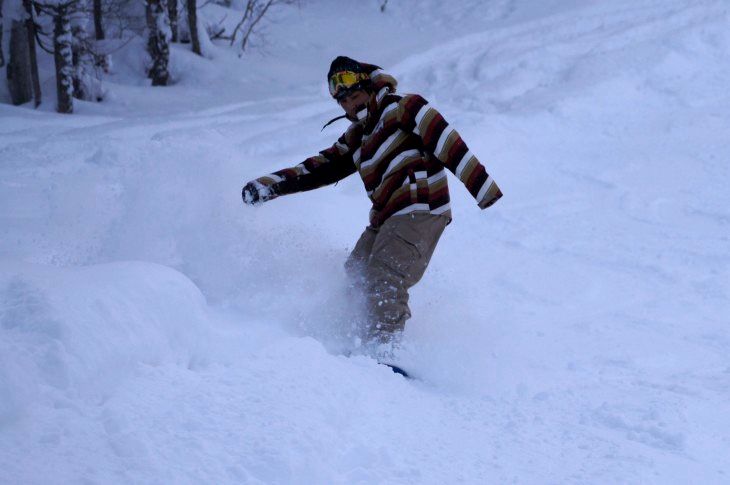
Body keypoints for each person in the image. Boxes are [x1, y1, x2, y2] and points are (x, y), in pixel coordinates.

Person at [242, 56, 502, 358]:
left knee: (384, 272)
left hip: (420, 205)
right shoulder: (357, 137)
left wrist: (482, 188)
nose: (351, 106)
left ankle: (386, 348)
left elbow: (446, 140)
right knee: (356, 272)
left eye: (355, 96)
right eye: (344, 103)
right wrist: (269, 185)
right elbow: (318, 167)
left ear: (369, 87)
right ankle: (357, 340)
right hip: (386, 218)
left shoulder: (402, 107)